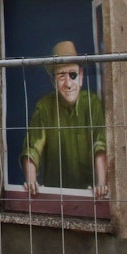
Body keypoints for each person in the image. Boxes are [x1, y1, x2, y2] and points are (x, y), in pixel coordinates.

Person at [21, 41, 110, 198]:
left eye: (73, 75)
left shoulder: (92, 103)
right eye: (61, 76)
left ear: (81, 77)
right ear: (53, 82)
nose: (68, 84)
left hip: (89, 196)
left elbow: (100, 145)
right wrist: (31, 181)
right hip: (55, 196)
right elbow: (32, 149)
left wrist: (101, 184)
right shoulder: (44, 107)